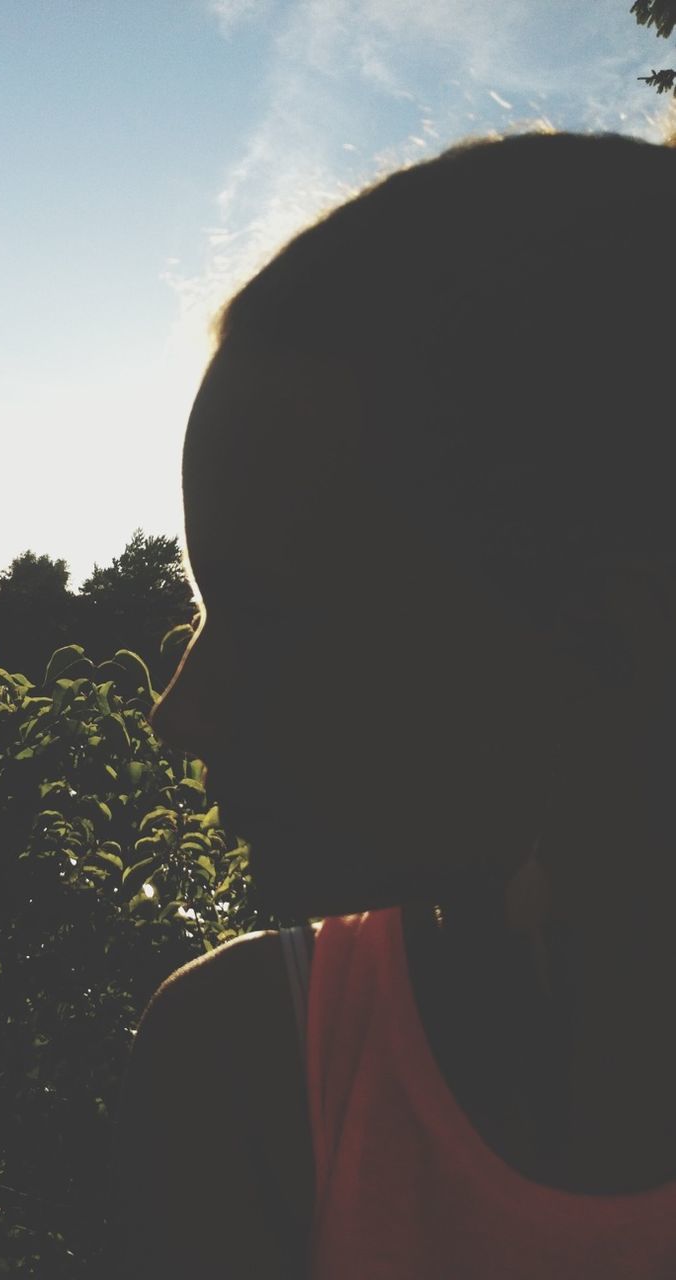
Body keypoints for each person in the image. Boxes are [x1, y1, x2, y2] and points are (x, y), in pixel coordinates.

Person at [113, 129, 676, 1278]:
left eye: (270, 618)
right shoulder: (240, 1058)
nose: (178, 713)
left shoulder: (277, 1068)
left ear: (598, 634)